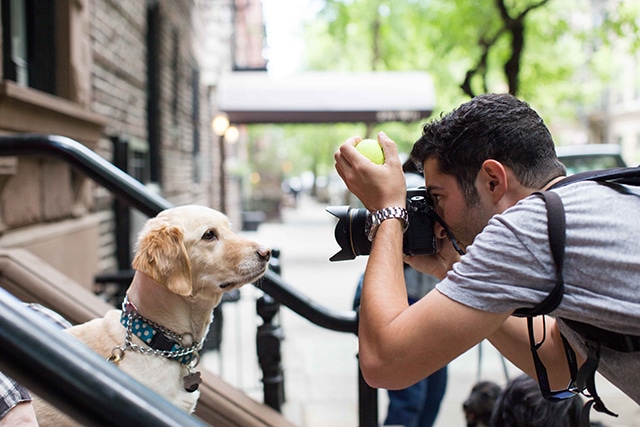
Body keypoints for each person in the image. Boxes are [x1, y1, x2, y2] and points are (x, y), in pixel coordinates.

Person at [333, 93, 640, 423]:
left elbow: (385, 363)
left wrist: (388, 213)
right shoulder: (600, 196)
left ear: (493, 181)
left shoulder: (526, 228)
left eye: (437, 198)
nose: (437, 221)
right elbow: (559, 366)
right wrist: (453, 268)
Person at [352, 168, 447, 427]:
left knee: (433, 394)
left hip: (434, 295)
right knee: (409, 399)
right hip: (405, 295)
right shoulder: (412, 188)